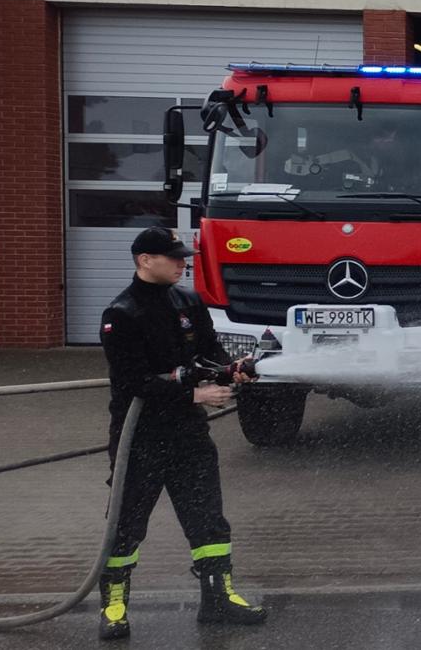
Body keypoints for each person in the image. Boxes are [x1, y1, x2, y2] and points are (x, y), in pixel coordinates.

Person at [96, 227, 266, 640]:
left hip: (188, 434)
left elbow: (208, 351)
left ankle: (218, 599)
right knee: (126, 524)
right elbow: (133, 382)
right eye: (173, 258)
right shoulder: (121, 314)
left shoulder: (188, 301)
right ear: (144, 260)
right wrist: (195, 393)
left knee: (208, 520)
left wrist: (231, 369)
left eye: (183, 257)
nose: (182, 264)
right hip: (141, 438)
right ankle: (114, 606)